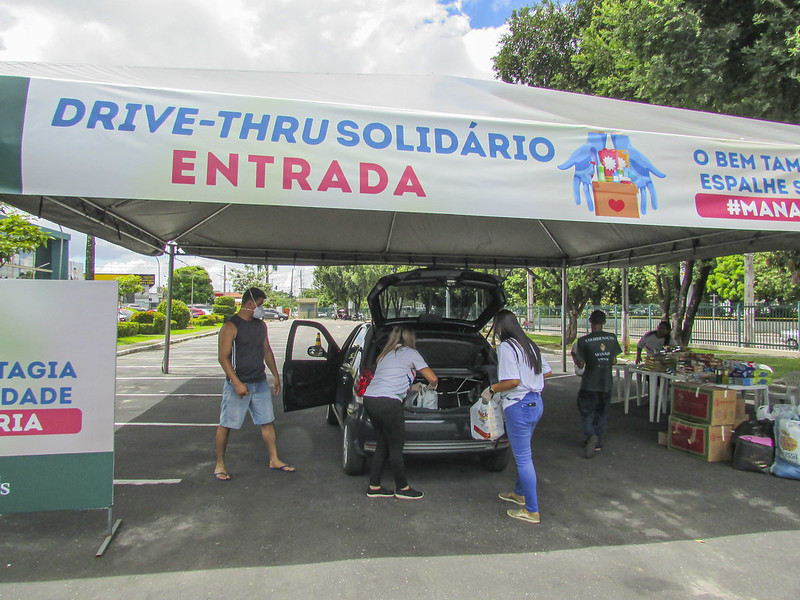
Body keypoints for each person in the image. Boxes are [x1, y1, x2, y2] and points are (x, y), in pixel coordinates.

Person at [214, 287, 294, 481]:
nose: (261, 308)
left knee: (267, 421)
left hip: (259, 382)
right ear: (250, 303)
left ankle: (274, 459)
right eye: (260, 304)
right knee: (226, 424)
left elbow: (266, 351)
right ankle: (220, 464)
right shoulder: (231, 326)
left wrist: (275, 376)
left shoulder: (260, 326)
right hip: (238, 385)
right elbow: (223, 358)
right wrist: (237, 383)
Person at [487, 309, 551, 525]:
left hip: (519, 406)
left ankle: (531, 510)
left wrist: (492, 389)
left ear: (500, 327)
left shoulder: (507, 347)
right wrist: (530, 378)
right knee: (525, 454)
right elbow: (547, 372)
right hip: (535, 403)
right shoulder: (529, 345)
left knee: (523, 459)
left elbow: (512, 381)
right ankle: (518, 493)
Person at [362, 326, 437, 500]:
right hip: (389, 403)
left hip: (370, 399)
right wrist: (432, 386)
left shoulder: (385, 354)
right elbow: (432, 378)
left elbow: (391, 379)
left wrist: (411, 387)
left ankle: (374, 486)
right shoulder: (411, 353)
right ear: (411, 338)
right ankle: (402, 488)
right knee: (396, 447)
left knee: (382, 443)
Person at [571, 310, 622, 459]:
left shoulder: (583, 341)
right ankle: (598, 442)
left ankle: (590, 435)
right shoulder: (611, 338)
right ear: (604, 322)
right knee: (602, 412)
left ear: (590, 321)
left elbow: (581, 364)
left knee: (586, 411)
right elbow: (614, 361)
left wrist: (574, 356)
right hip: (605, 382)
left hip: (589, 383)